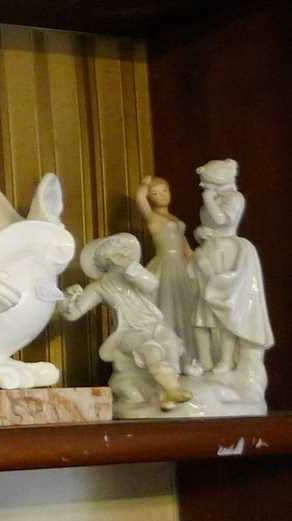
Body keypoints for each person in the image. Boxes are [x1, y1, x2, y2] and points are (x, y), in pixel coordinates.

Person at [61, 234, 192, 410]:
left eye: (126, 248)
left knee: (170, 344)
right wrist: (68, 300)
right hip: (129, 332)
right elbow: (73, 313)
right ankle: (173, 389)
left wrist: (131, 268)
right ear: (104, 257)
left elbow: (152, 285)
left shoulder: (135, 276)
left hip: (154, 324)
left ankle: (166, 395)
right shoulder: (99, 287)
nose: (124, 251)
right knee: (150, 349)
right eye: (118, 248)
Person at [190, 159, 273, 380]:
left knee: (226, 310)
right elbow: (208, 225)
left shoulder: (235, 198)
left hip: (227, 252)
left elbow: (222, 220)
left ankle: (226, 360)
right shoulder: (213, 199)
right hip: (209, 252)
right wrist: (200, 233)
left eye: (206, 181)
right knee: (202, 312)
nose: (203, 186)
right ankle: (206, 359)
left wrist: (209, 200)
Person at [133, 175, 200, 371]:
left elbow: (185, 247)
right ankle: (168, 358)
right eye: (155, 193)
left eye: (164, 191)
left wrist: (197, 261)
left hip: (181, 266)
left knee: (187, 309)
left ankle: (190, 358)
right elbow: (140, 199)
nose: (161, 196)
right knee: (167, 307)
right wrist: (145, 184)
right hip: (165, 264)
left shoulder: (174, 218)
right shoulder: (152, 216)